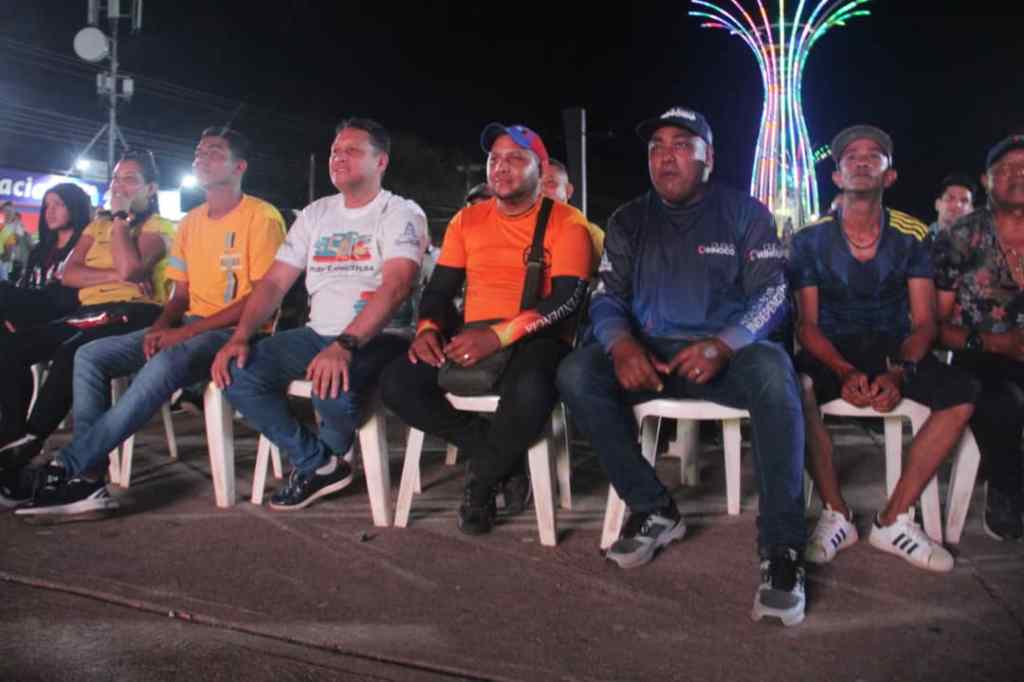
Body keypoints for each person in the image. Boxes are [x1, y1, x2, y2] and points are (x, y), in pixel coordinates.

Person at [556, 107, 807, 625]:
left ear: (707, 158)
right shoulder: (629, 219)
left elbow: (773, 294)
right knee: (577, 372)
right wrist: (621, 344)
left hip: (726, 356)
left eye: (680, 145)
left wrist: (725, 344)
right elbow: (606, 297)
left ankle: (782, 550)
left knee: (775, 373)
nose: (665, 156)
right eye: (656, 147)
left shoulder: (744, 213)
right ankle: (652, 508)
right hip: (650, 355)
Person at [14, 128, 286, 519]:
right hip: (189, 323)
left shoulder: (261, 217)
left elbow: (262, 298)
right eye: (198, 150)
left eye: (214, 152)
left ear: (238, 166)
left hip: (240, 331)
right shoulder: (192, 221)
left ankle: (70, 465)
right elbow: (178, 296)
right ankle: (89, 479)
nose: (201, 157)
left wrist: (181, 333)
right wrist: (162, 327)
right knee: (89, 355)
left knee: (166, 360)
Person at [380, 122, 593, 535]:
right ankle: (500, 455)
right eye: (495, 159)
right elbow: (439, 290)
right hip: (474, 331)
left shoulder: (568, 223)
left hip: (538, 334)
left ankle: (480, 485)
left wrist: (497, 336)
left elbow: (567, 300)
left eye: (515, 158)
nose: (501, 167)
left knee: (531, 388)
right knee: (398, 383)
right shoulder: (467, 220)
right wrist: (427, 330)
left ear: (540, 167)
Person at [211, 118, 427, 510]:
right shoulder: (315, 214)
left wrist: (345, 343)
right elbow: (274, 283)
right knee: (235, 370)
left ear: (381, 163)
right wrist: (241, 335)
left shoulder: (400, 212)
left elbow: (396, 286)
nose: (339, 158)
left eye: (352, 151)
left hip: (380, 335)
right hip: (315, 334)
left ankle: (317, 465)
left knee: (333, 387)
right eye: (335, 151)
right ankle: (321, 464)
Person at [790, 124, 977, 572]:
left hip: (895, 349)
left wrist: (898, 372)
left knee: (963, 392)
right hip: (831, 350)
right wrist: (842, 370)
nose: (860, 160)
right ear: (836, 176)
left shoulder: (912, 238)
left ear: (889, 176)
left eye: (873, 155)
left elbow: (925, 321)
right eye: (850, 156)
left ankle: (893, 520)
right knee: (794, 385)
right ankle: (837, 514)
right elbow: (807, 325)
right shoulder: (810, 240)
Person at [0, 152, 174, 484]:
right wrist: (114, 275)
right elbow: (69, 274)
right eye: (116, 179)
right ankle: (12, 437)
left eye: (129, 179)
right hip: (87, 311)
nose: (118, 186)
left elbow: (132, 270)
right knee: (11, 347)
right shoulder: (96, 226)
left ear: (150, 189)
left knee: (73, 351)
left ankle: (32, 441)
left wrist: (121, 218)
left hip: (133, 312)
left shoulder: (158, 227)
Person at [933, 134, 1024, 541]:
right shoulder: (962, 236)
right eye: (1005, 170)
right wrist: (994, 343)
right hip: (978, 349)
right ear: (987, 182)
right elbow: (934, 325)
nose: (1016, 177)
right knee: (1002, 400)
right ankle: (1006, 492)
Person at [0, 183, 91, 329]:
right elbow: (24, 285)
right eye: (47, 206)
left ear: (75, 207)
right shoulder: (40, 249)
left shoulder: (87, 246)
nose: (50, 211)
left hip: (62, 314)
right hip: (29, 308)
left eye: (58, 204)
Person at [540, 157, 605, 270]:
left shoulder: (591, 234)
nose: (541, 191)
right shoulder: (516, 231)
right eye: (534, 185)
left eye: (550, 183)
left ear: (568, 190)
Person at [928, 173, 976, 240]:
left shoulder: (980, 247)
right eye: (950, 198)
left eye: (964, 201)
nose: (957, 205)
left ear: (972, 211)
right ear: (937, 204)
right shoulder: (915, 241)